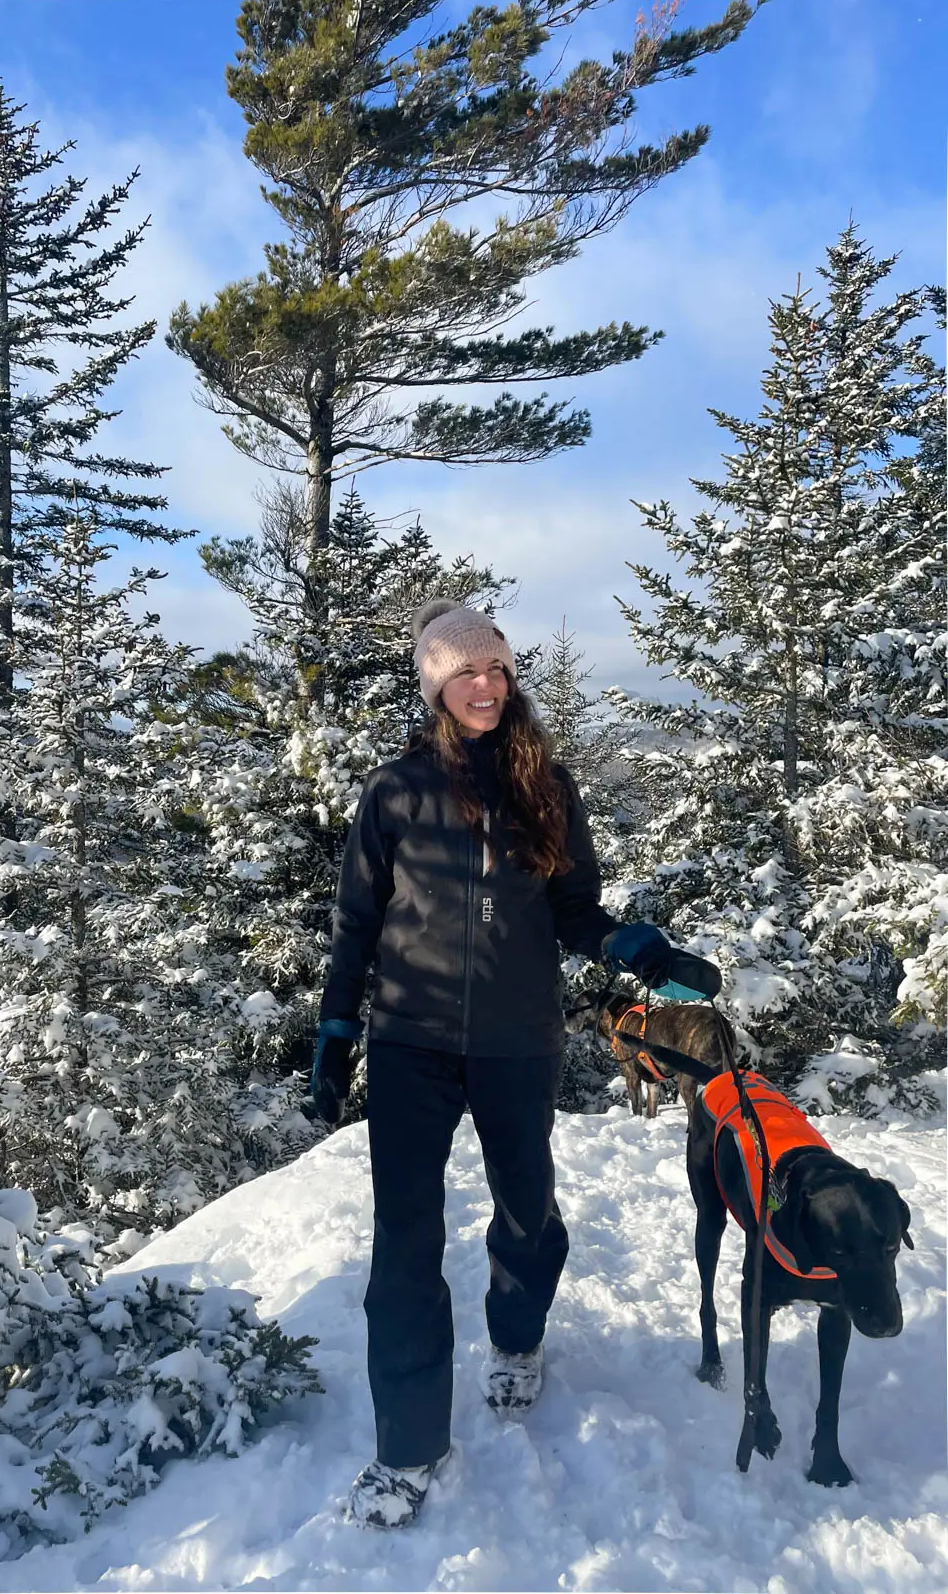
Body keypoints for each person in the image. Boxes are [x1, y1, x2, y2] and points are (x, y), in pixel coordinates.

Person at [309, 599, 677, 1529]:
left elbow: (574, 908)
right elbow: (357, 920)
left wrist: (632, 944)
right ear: (435, 685)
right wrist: (335, 1031)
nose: (485, 685)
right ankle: (408, 1449)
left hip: (518, 1041)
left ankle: (516, 1339)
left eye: (498, 670)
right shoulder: (396, 791)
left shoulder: (544, 783)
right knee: (403, 1248)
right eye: (465, 671)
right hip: (409, 1044)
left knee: (526, 1205)